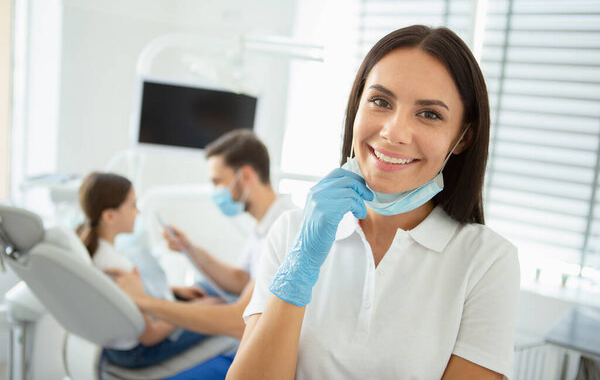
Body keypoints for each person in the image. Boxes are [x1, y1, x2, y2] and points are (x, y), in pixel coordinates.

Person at [227, 25, 520, 380]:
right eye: (381, 102)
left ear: (463, 137)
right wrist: (301, 264)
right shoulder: (292, 231)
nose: (394, 132)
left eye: (429, 114)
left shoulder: (486, 260)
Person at [108, 129, 296, 379]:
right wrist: (190, 249)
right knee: (201, 288)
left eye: (218, 181)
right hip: (243, 322)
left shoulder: (285, 226)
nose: (215, 190)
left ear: (245, 176)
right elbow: (243, 279)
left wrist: (144, 301)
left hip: (263, 347)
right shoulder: (264, 223)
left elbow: (237, 321)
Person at [77, 172, 214, 368]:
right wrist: (198, 310)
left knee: (203, 291)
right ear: (109, 216)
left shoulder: (92, 253)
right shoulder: (119, 267)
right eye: (133, 205)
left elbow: (129, 298)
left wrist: (175, 291)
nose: (138, 212)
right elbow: (150, 336)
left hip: (112, 349)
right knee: (217, 309)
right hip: (139, 354)